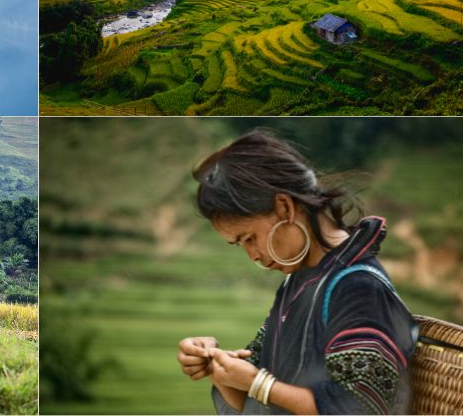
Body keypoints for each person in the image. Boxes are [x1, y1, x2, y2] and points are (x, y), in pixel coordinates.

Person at [177, 130, 417, 415]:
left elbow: (359, 407)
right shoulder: (299, 281)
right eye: (240, 244)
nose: (252, 255)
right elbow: (255, 401)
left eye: (250, 237)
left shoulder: (358, 286)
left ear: (284, 206)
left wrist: (257, 383)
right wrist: (217, 367)